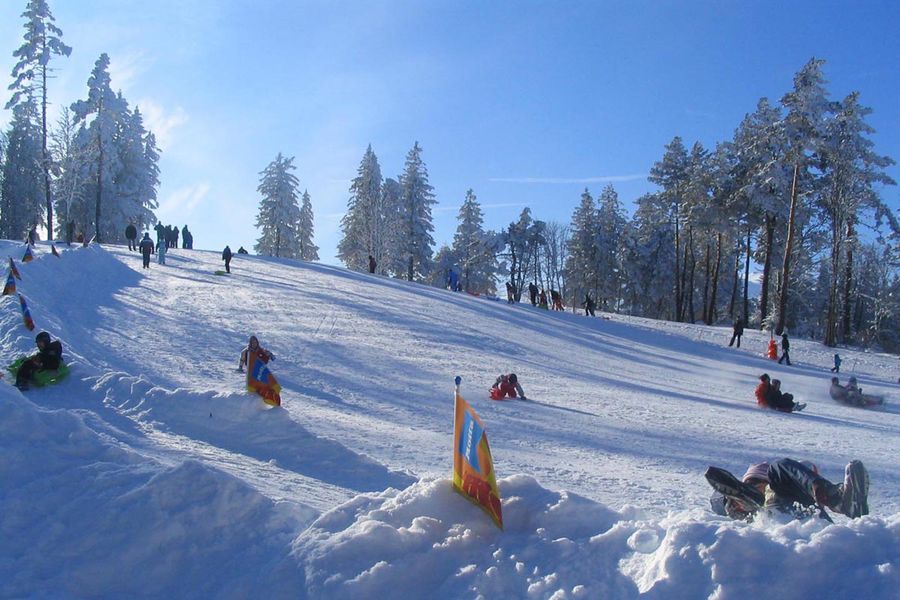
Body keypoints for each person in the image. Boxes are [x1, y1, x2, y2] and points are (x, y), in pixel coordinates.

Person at [707, 458, 869, 522]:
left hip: (808, 520)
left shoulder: (802, 494)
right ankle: (838, 500)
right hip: (771, 509)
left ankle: (843, 501)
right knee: (779, 467)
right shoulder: (777, 471)